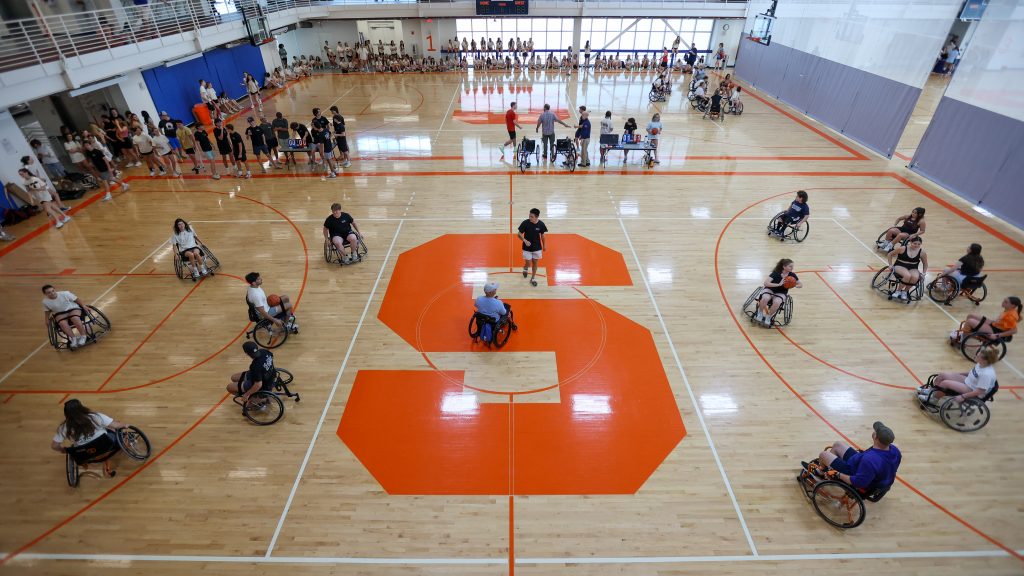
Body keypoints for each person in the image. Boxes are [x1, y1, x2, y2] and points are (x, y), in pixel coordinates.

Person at [816, 422, 901, 495]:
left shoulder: (869, 460)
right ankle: (830, 466)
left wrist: (837, 474)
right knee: (838, 444)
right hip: (863, 467)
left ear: (876, 437)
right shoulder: (895, 450)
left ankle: (821, 472)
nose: (873, 431)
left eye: (875, 431)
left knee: (823, 454)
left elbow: (858, 482)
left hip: (853, 473)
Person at [50, 399, 129, 478]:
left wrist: (62, 450)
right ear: (81, 408)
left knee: (75, 448)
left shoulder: (63, 427)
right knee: (113, 429)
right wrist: (125, 425)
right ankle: (127, 444)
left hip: (86, 454)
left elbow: (54, 446)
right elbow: (116, 425)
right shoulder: (95, 416)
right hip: (105, 445)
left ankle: (85, 463)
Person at [921, 346, 1000, 404]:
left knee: (945, 383)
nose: (976, 356)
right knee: (943, 375)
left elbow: (979, 392)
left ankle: (933, 399)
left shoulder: (986, 374)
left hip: (973, 390)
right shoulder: (981, 364)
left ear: (984, 360)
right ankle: (930, 391)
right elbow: (973, 373)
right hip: (968, 382)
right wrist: (957, 374)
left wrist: (963, 396)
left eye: (978, 356)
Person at [951, 296, 1021, 345]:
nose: (1003, 302)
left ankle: (962, 340)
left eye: (1006, 302)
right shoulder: (1010, 310)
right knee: (971, 315)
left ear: (1013, 306)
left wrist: (997, 335)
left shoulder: (1011, 316)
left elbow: (1014, 331)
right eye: (1004, 300)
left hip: (996, 331)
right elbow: (1019, 318)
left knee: (970, 321)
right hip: (994, 324)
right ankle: (966, 331)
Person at [755, 258, 801, 327]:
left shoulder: (792, 275)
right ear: (784, 267)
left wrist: (795, 285)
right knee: (765, 298)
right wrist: (778, 284)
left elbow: (800, 284)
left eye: (792, 266)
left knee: (777, 302)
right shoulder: (776, 273)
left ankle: (769, 316)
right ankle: (760, 312)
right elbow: (766, 283)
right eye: (790, 266)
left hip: (781, 292)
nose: (792, 268)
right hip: (770, 289)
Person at [886, 236, 928, 301]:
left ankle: (905, 292)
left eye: (919, 244)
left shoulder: (922, 252)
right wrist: (890, 265)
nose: (916, 245)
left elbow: (925, 264)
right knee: (907, 275)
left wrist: (924, 273)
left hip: (913, 267)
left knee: (915, 277)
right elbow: (890, 254)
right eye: (915, 243)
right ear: (910, 242)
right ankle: (898, 291)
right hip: (900, 265)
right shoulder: (902, 248)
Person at [518, 208, 548, 287]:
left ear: (536, 217)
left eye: (532, 216)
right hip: (526, 248)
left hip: (537, 248)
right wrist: (524, 240)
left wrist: (544, 245)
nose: (530, 218)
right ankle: (525, 268)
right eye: (529, 216)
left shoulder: (541, 224)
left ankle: (533, 278)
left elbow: (543, 235)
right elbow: (519, 234)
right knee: (528, 263)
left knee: (535, 263)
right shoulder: (525, 223)